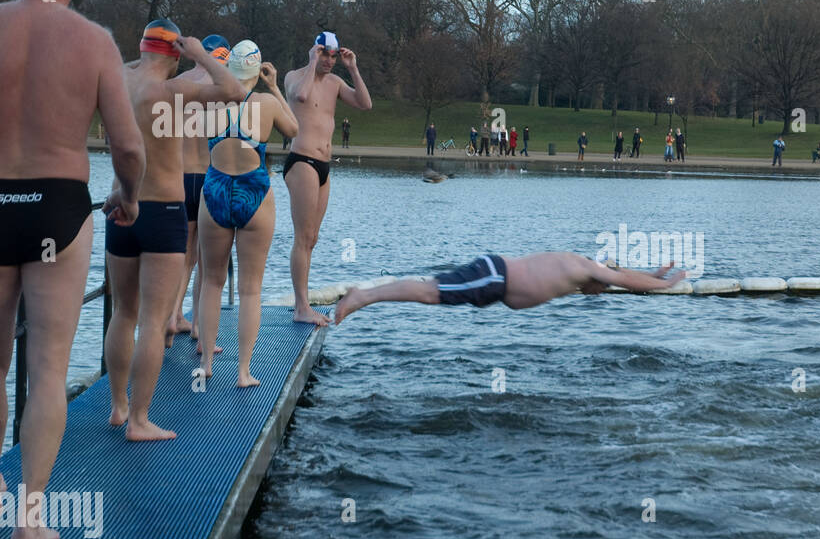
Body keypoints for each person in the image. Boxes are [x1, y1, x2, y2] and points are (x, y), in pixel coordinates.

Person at [0, 0, 146, 539]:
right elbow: (128, 144)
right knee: (48, 366)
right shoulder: (94, 42)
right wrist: (128, 195)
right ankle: (29, 519)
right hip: (57, 206)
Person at [107, 18, 245, 442]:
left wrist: (146, 54)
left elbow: (132, 63)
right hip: (163, 209)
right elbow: (235, 90)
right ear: (175, 53)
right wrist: (201, 53)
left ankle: (117, 407)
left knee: (122, 313)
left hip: (119, 207)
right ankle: (140, 421)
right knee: (152, 321)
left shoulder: (118, 82)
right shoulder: (172, 91)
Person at [197, 41, 298, 387]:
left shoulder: (209, 104)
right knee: (250, 290)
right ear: (257, 72)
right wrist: (273, 85)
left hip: (215, 191)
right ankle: (243, 372)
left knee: (211, 282)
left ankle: (207, 362)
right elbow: (294, 130)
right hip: (254, 192)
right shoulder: (267, 103)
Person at [283, 30, 372, 326]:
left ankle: (302, 304)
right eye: (326, 55)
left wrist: (353, 68)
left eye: (334, 56)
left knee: (313, 238)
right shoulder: (295, 76)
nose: (330, 61)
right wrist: (312, 62)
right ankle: (301, 306)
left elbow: (365, 104)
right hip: (302, 162)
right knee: (302, 237)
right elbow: (301, 96)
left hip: (323, 165)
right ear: (315, 52)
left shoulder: (335, 82)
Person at [334, 253, 688, 324]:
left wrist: (655, 276)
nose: (601, 293)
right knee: (430, 291)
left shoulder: (585, 274)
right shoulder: (584, 268)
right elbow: (623, 279)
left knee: (432, 293)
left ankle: (363, 295)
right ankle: (362, 296)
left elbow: (624, 276)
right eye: (604, 287)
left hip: (494, 283)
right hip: (494, 277)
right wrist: (666, 284)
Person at [169, 34, 230, 350]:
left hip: (178, 176)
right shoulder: (221, 85)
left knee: (183, 253)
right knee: (205, 259)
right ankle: (199, 330)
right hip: (207, 176)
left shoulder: (178, 81)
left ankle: (175, 313)